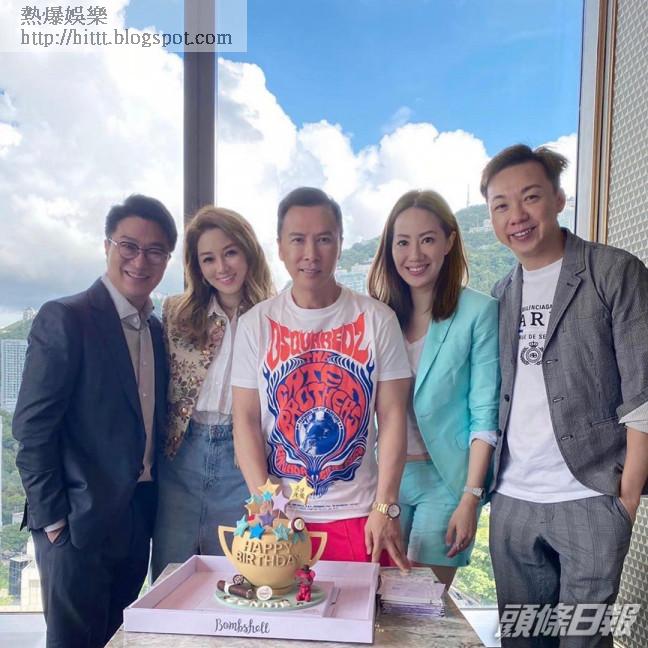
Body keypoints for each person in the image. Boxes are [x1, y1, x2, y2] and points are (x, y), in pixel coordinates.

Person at [482, 144, 648, 646]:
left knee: (584, 641)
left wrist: (626, 497)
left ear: (558, 198)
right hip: (512, 501)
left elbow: (643, 391)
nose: (517, 215)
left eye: (530, 197)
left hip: (591, 496)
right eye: (501, 205)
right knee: (522, 640)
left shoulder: (613, 272)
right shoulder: (500, 293)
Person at [13, 194, 177, 648]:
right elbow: (32, 429)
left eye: (155, 251)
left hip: (137, 517)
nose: (140, 261)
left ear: (166, 260)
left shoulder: (156, 330)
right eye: (129, 246)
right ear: (107, 246)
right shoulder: (66, 318)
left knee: (116, 640)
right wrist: (53, 521)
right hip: (76, 522)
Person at [231, 187, 411, 569]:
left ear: (340, 244)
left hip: (361, 514)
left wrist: (385, 505)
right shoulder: (254, 324)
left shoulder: (378, 319)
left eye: (324, 239)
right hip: (280, 515)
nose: (310, 253)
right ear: (280, 247)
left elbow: (393, 416)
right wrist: (267, 505)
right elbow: (245, 420)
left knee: (372, 609)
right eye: (298, 239)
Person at [367, 189, 499, 588]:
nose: (415, 255)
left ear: (449, 242)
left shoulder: (479, 312)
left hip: (445, 478)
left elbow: (484, 413)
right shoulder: (377, 314)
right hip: (384, 479)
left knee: (423, 601)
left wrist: (471, 497)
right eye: (403, 242)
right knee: (377, 596)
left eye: (427, 239)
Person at [152, 206, 274, 579]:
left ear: (249, 252)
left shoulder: (274, 318)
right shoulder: (176, 312)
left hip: (244, 456)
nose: (221, 267)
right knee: (171, 576)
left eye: (230, 252)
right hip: (182, 455)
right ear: (197, 266)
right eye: (208, 258)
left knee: (237, 575)